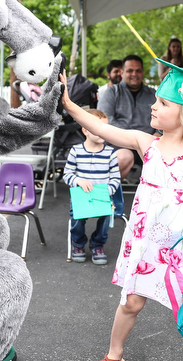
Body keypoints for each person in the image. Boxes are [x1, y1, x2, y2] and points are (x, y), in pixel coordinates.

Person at [60, 59, 183, 361]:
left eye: (162, 103)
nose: (153, 106)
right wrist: (69, 103)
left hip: (182, 245)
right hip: (146, 242)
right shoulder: (145, 143)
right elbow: (100, 126)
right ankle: (114, 354)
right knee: (131, 303)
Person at [63, 109, 121, 265]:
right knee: (77, 219)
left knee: (106, 216)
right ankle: (78, 244)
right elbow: (67, 174)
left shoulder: (110, 153)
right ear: (85, 130)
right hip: (81, 196)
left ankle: (97, 244)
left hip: (102, 197)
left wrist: (107, 191)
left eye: (106, 128)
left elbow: (116, 178)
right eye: (97, 127)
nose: (103, 132)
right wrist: (78, 180)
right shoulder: (76, 151)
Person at [98, 54, 158, 194]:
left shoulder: (153, 94)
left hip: (149, 144)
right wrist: (133, 138)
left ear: (143, 72)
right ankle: (102, 196)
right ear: (122, 72)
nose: (134, 74)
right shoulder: (111, 93)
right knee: (125, 157)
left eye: (138, 70)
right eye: (130, 70)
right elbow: (105, 120)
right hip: (119, 144)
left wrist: (157, 135)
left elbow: (164, 120)